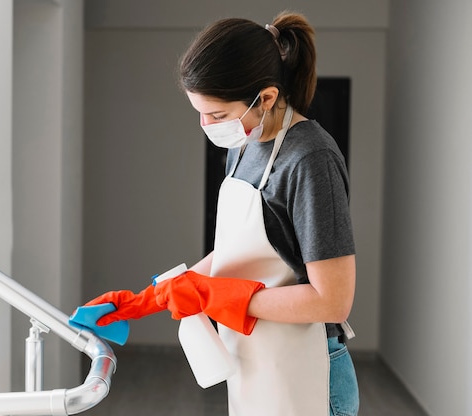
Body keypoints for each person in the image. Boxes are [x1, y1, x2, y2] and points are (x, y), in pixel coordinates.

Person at [76, 10, 359, 416]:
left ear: (266, 97)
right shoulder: (243, 146)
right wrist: (151, 298)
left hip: (308, 371)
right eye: (200, 112)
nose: (206, 124)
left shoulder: (309, 158)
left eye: (219, 114)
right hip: (256, 360)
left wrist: (215, 295)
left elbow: (332, 301)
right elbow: (232, 255)